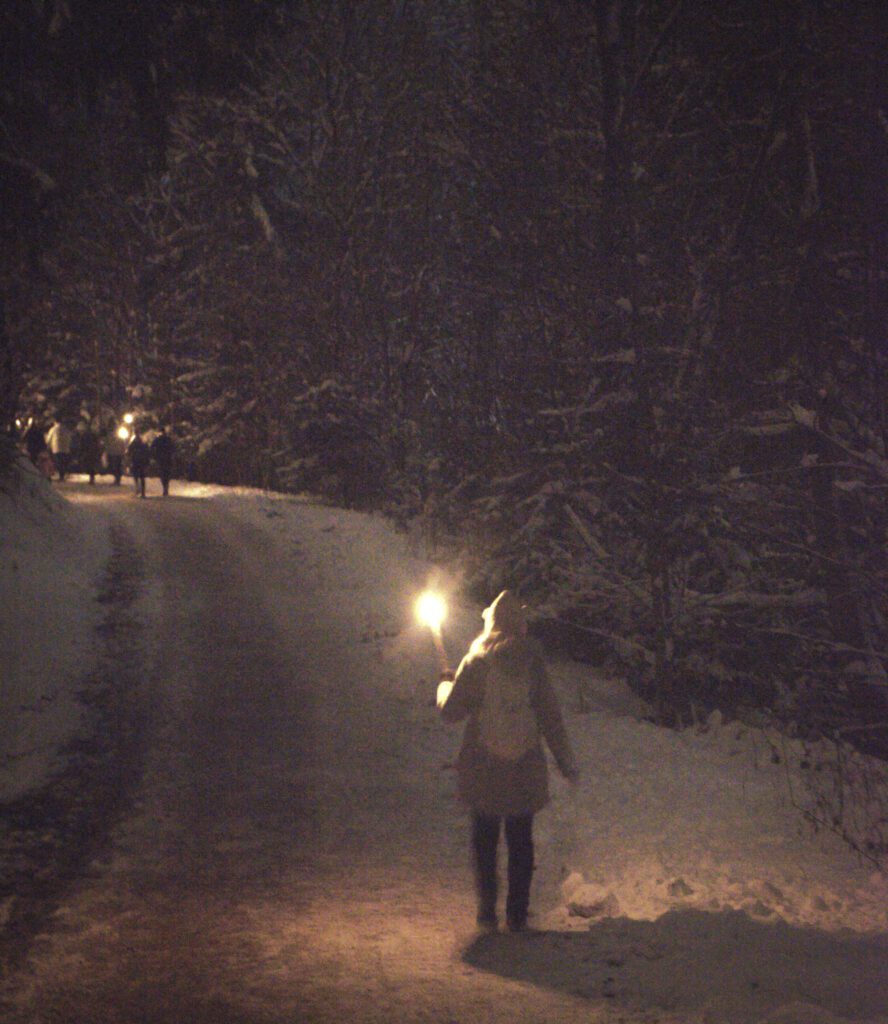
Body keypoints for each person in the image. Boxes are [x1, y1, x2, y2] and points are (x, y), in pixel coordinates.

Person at [437, 590, 579, 933]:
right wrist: (565, 760)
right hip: (524, 766)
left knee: (484, 838)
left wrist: (445, 683)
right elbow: (549, 715)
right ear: (521, 624)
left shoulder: (477, 661)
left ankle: (487, 911)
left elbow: (451, 711)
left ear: (491, 622)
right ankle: (517, 913)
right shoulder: (533, 662)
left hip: (484, 765)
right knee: (520, 839)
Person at [150, 427, 175, 496]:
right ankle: (166, 487)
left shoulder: (158, 439)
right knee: (167, 473)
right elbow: (173, 448)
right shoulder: (168, 439)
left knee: (162, 473)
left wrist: (154, 455)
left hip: (161, 459)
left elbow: (152, 447)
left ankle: (165, 487)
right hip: (167, 458)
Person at [127, 430, 150, 498]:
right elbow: (147, 451)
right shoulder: (143, 443)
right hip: (141, 461)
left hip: (136, 461)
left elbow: (129, 450)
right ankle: (142, 492)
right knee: (142, 476)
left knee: (136, 475)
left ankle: (138, 489)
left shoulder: (133, 442)